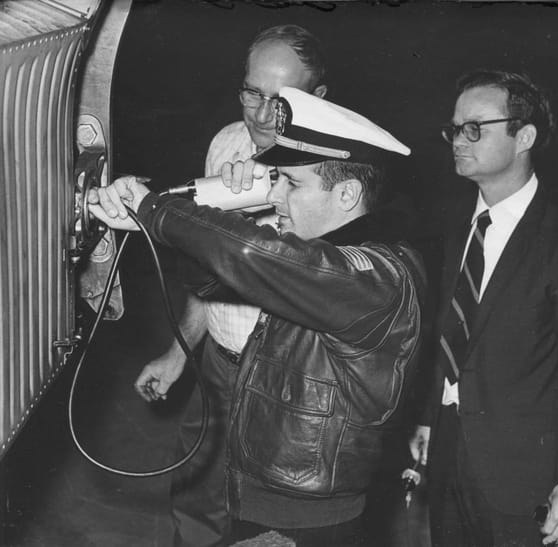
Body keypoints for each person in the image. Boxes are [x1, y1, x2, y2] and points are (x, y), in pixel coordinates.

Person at [89, 86, 426, 546]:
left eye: (292, 183)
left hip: (305, 520)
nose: (275, 196)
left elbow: (255, 255)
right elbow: (214, 281)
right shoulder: (321, 263)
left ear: (347, 193)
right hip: (264, 496)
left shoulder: (374, 277)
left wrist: (155, 210)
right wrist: (186, 223)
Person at [133, 25, 327, 547]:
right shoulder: (226, 144)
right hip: (219, 364)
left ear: (318, 98)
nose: (261, 115)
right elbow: (208, 270)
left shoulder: (334, 174)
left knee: (264, 526)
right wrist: (178, 353)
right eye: (252, 93)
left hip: (286, 387)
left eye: (281, 102)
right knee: (196, 499)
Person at [409, 69, 558, 547]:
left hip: (526, 476)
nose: (459, 139)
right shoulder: (455, 227)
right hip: (449, 451)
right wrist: (430, 415)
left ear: (524, 137)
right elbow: (447, 330)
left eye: (475, 128)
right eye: (455, 128)